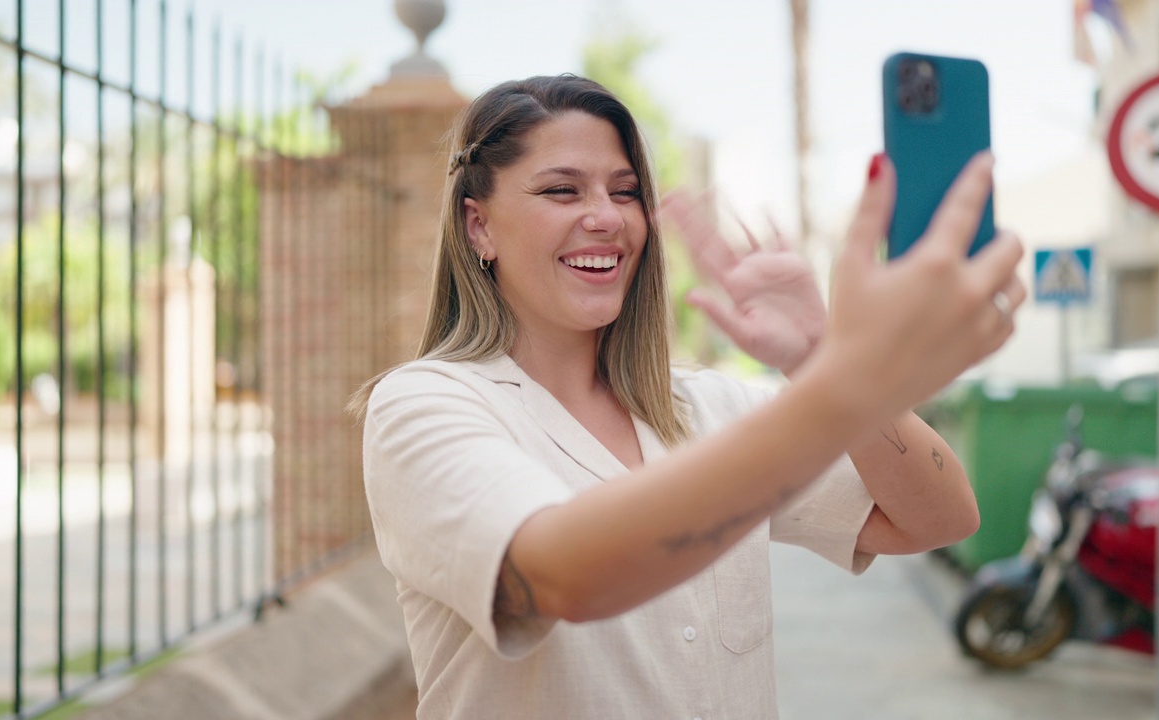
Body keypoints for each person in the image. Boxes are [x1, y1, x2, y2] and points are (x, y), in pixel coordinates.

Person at [354, 74, 1025, 719]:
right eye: (561, 190)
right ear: (479, 227)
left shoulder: (707, 408)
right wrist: (843, 384)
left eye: (624, 192)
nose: (604, 217)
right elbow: (561, 576)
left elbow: (939, 519)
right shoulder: (423, 406)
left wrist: (819, 354)